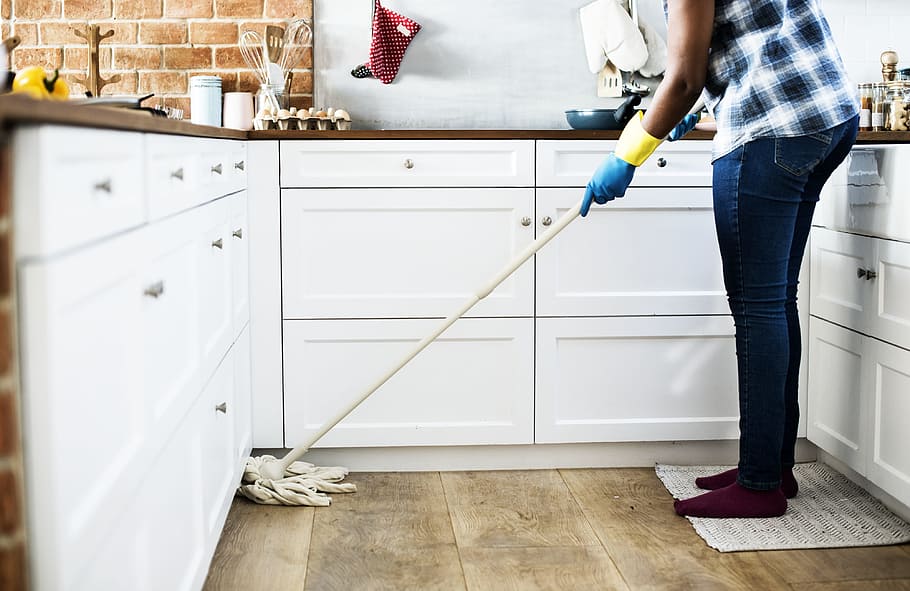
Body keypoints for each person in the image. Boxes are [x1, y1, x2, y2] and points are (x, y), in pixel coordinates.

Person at [582, 0, 859, 519]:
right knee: (775, 301)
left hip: (772, 130)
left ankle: (759, 486)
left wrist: (628, 155)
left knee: (757, 308)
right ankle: (772, 466)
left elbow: (684, 76)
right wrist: (697, 106)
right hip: (826, 118)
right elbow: (745, 41)